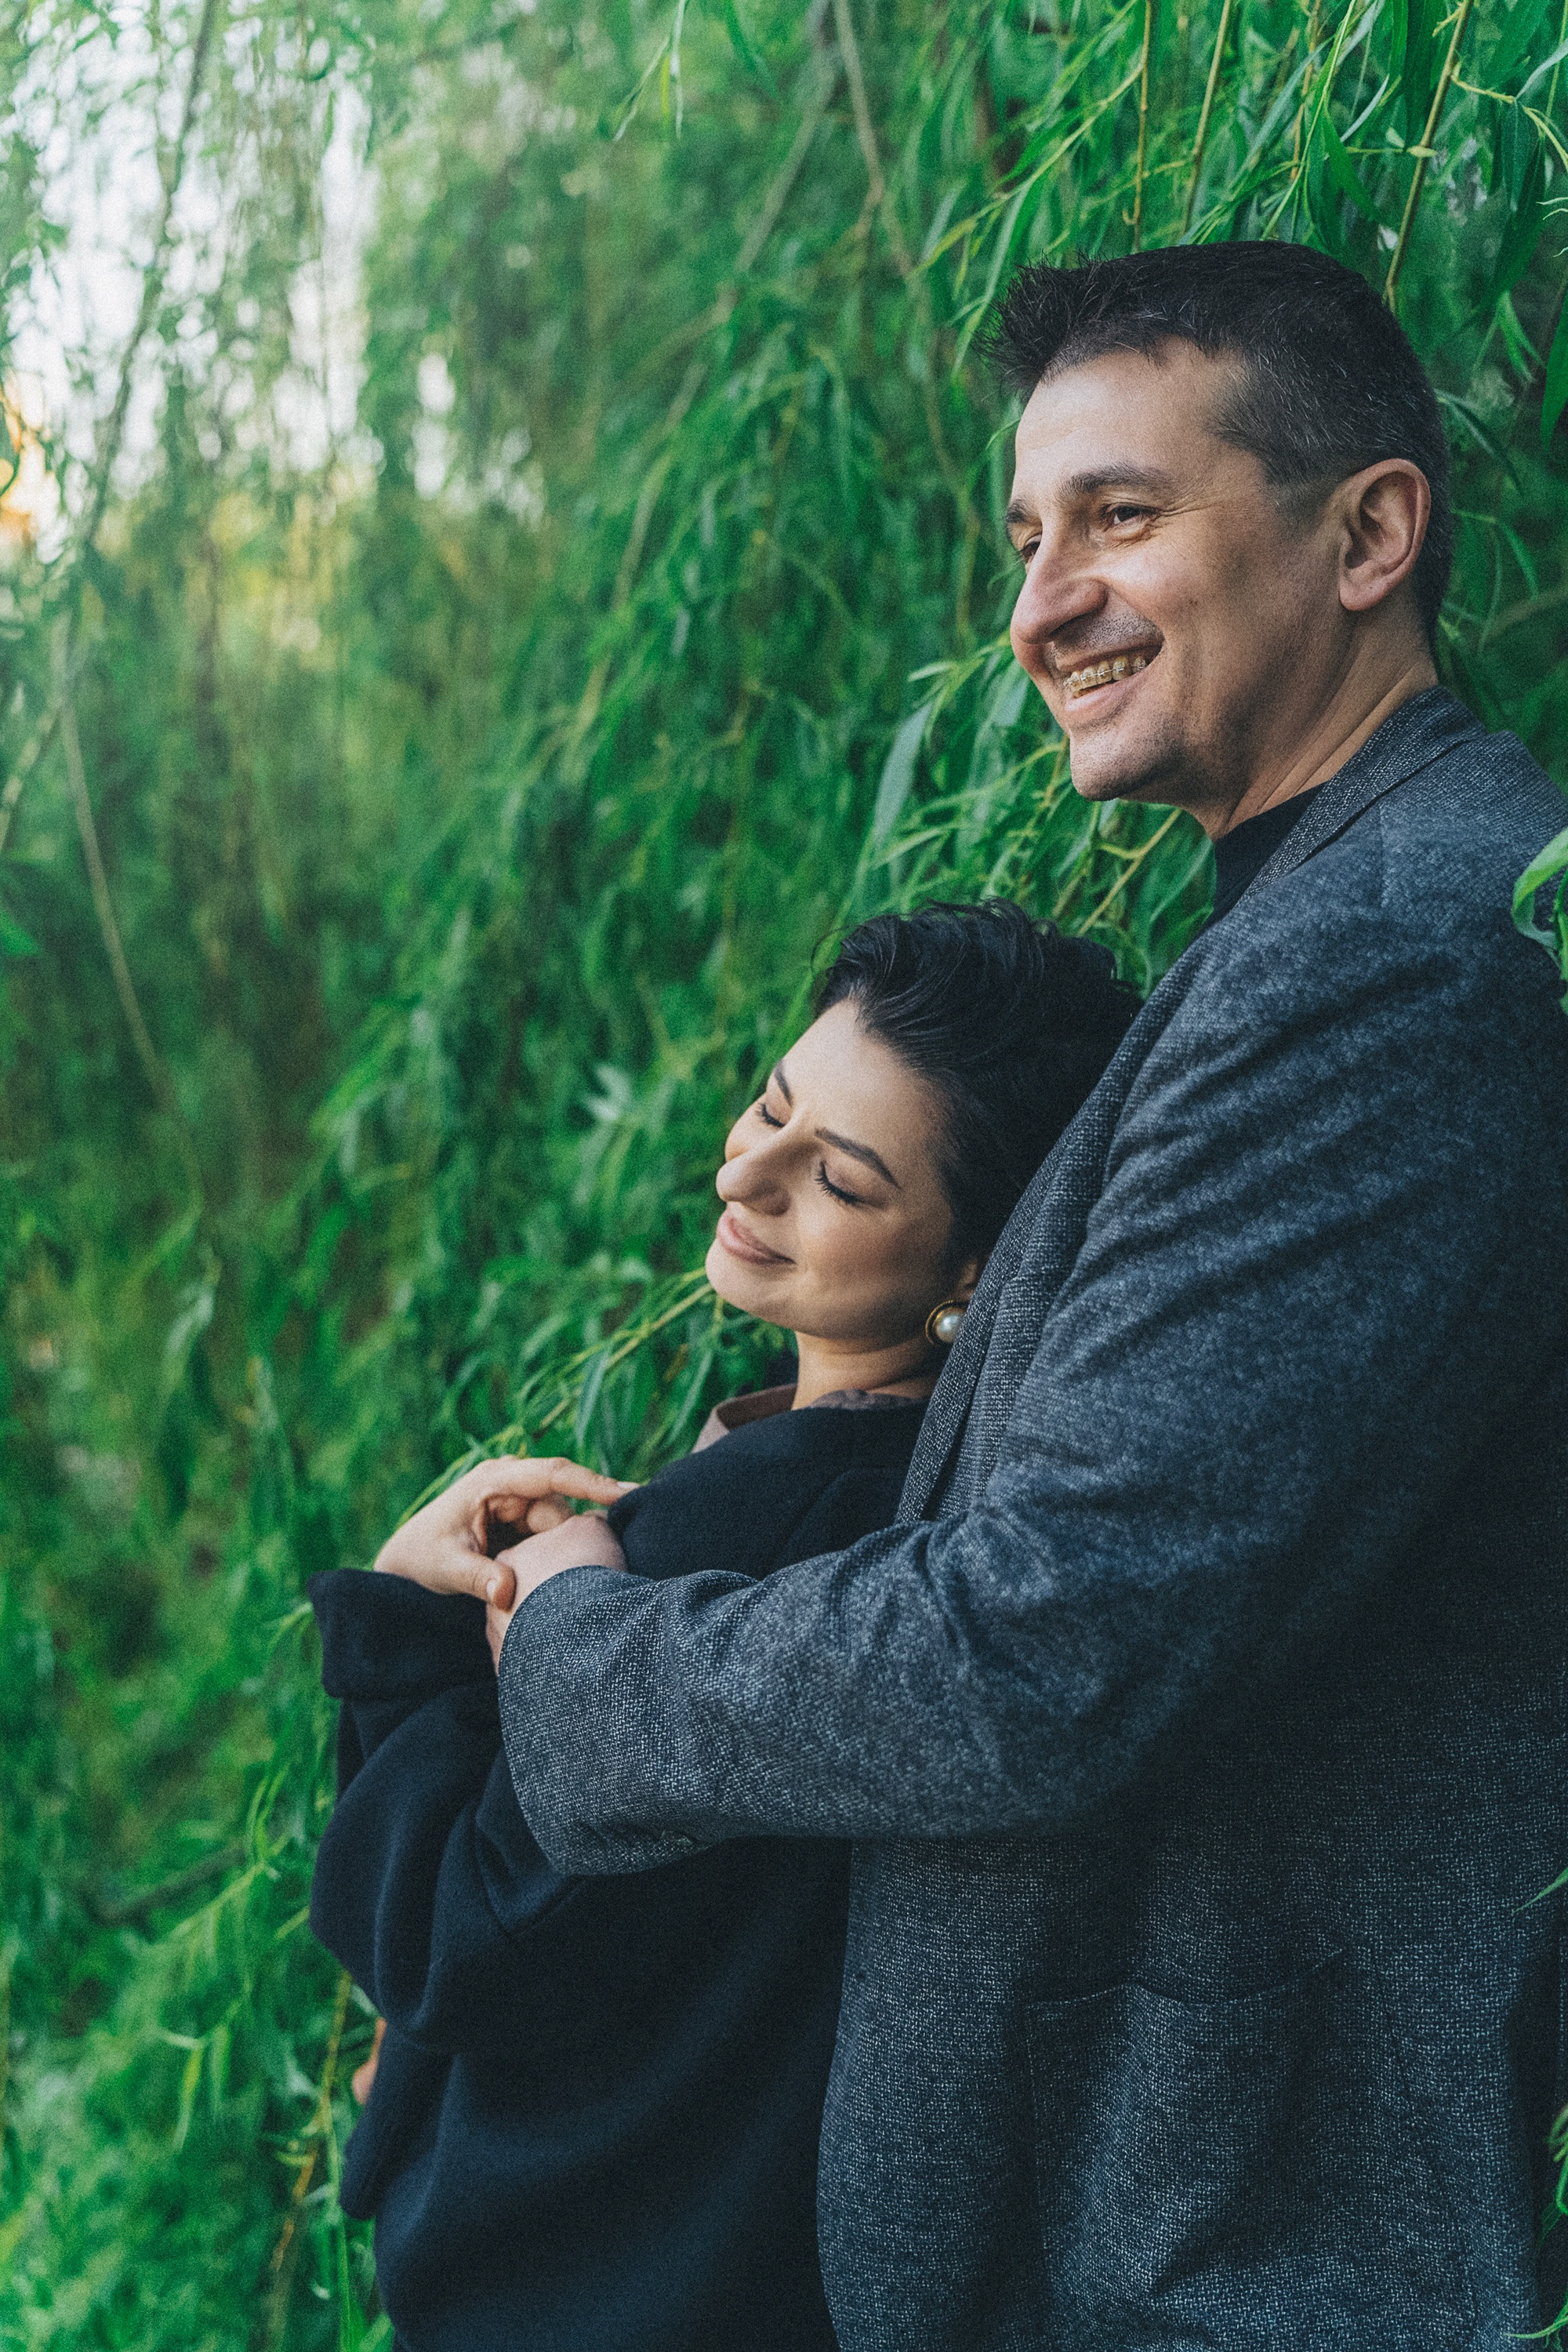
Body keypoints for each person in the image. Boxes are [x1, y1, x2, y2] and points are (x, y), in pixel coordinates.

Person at [405, 242, 1568, 2348]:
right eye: (1028, 537)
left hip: (1235, 2254)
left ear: (1372, 533)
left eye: (1120, 517)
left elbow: (1054, 1643)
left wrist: (590, 1634)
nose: (1039, 606)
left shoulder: (1394, 950)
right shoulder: (1307, 921)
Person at [307, 901, 1138, 2352]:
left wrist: (399, 1625)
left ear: (969, 1274)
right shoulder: (954, 1511)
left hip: (595, 2284)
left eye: (842, 1180)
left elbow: (462, 1941)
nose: (747, 1171)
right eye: (771, 1104)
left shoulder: (745, 1550)